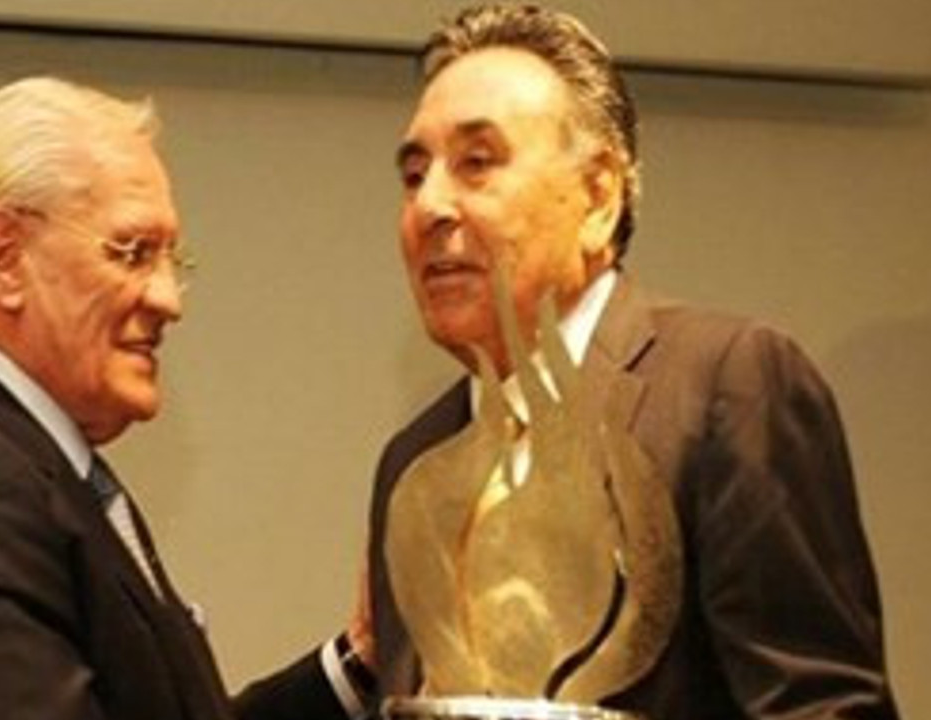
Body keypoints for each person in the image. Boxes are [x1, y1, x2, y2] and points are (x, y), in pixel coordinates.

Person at [361, 4, 900, 719]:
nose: (430, 205)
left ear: (599, 197)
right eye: (413, 174)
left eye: (477, 163)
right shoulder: (413, 457)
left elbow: (821, 708)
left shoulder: (729, 385)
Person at [0, 76, 366, 720]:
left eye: (171, 261)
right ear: (5, 259)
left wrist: (357, 663)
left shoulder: (40, 470)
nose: (169, 299)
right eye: (132, 253)